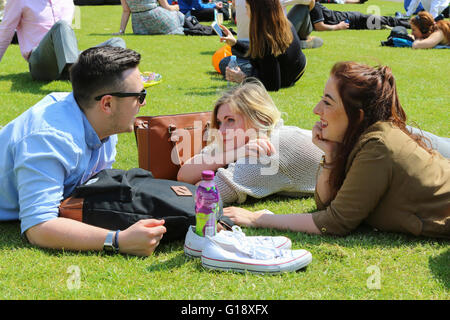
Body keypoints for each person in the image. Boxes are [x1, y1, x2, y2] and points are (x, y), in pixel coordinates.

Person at [224, 61, 450, 239]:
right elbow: (326, 204)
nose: (316, 110)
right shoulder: (361, 139)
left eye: (328, 102)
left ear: (357, 116)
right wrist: (330, 157)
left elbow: (333, 223)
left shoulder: (377, 146)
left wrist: (257, 219)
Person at [0, 46, 167, 256]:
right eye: (139, 95)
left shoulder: (100, 120)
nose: (143, 103)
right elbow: (38, 227)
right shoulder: (49, 138)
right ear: (107, 103)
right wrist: (118, 240)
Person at [177, 79, 323, 204]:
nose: (221, 131)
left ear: (258, 119)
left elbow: (203, 193)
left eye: (230, 120)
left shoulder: (267, 150)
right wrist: (235, 153)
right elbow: (184, 175)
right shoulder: (240, 140)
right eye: (220, 122)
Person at [0, 0, 126, 81]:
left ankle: (123, 77)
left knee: (116, 43)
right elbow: (5, 33)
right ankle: (78, 78)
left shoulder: (66, 1)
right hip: (40, 62)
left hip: (68, 59)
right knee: (61, 26)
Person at [218, 0, 307, 91]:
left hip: (284, 78)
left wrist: (243, 78)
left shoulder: (267, 37)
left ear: (256, 11)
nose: (246, 12)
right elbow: (259, 54)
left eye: (247, 8)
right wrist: (235, 43)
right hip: (296, 69)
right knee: (230, 58)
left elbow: (271, 85)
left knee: (226, 63)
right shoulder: (280, 22)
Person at [233, 0, 323, 49]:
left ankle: (299, 41)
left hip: (241, 44)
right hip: (271, 42)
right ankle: (301, 41)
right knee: (303, 8)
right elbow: (311, 2)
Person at [309, 1, 411, 31]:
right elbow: (319, 26)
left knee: (385, 20)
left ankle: (410, 24)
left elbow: (319, 26)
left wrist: (338, 26)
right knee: (381, 22)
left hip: (353, 18)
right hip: (351, 20)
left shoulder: (314, 6)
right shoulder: (313, 6)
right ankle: (409, 23)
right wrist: (338, 27)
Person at [115, 0, 185, 35]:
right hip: (157, 18)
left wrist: (121, 31)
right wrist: (177, 7)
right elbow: (167, 7)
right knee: (179, 15)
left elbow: (126, 11)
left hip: (138, 26)